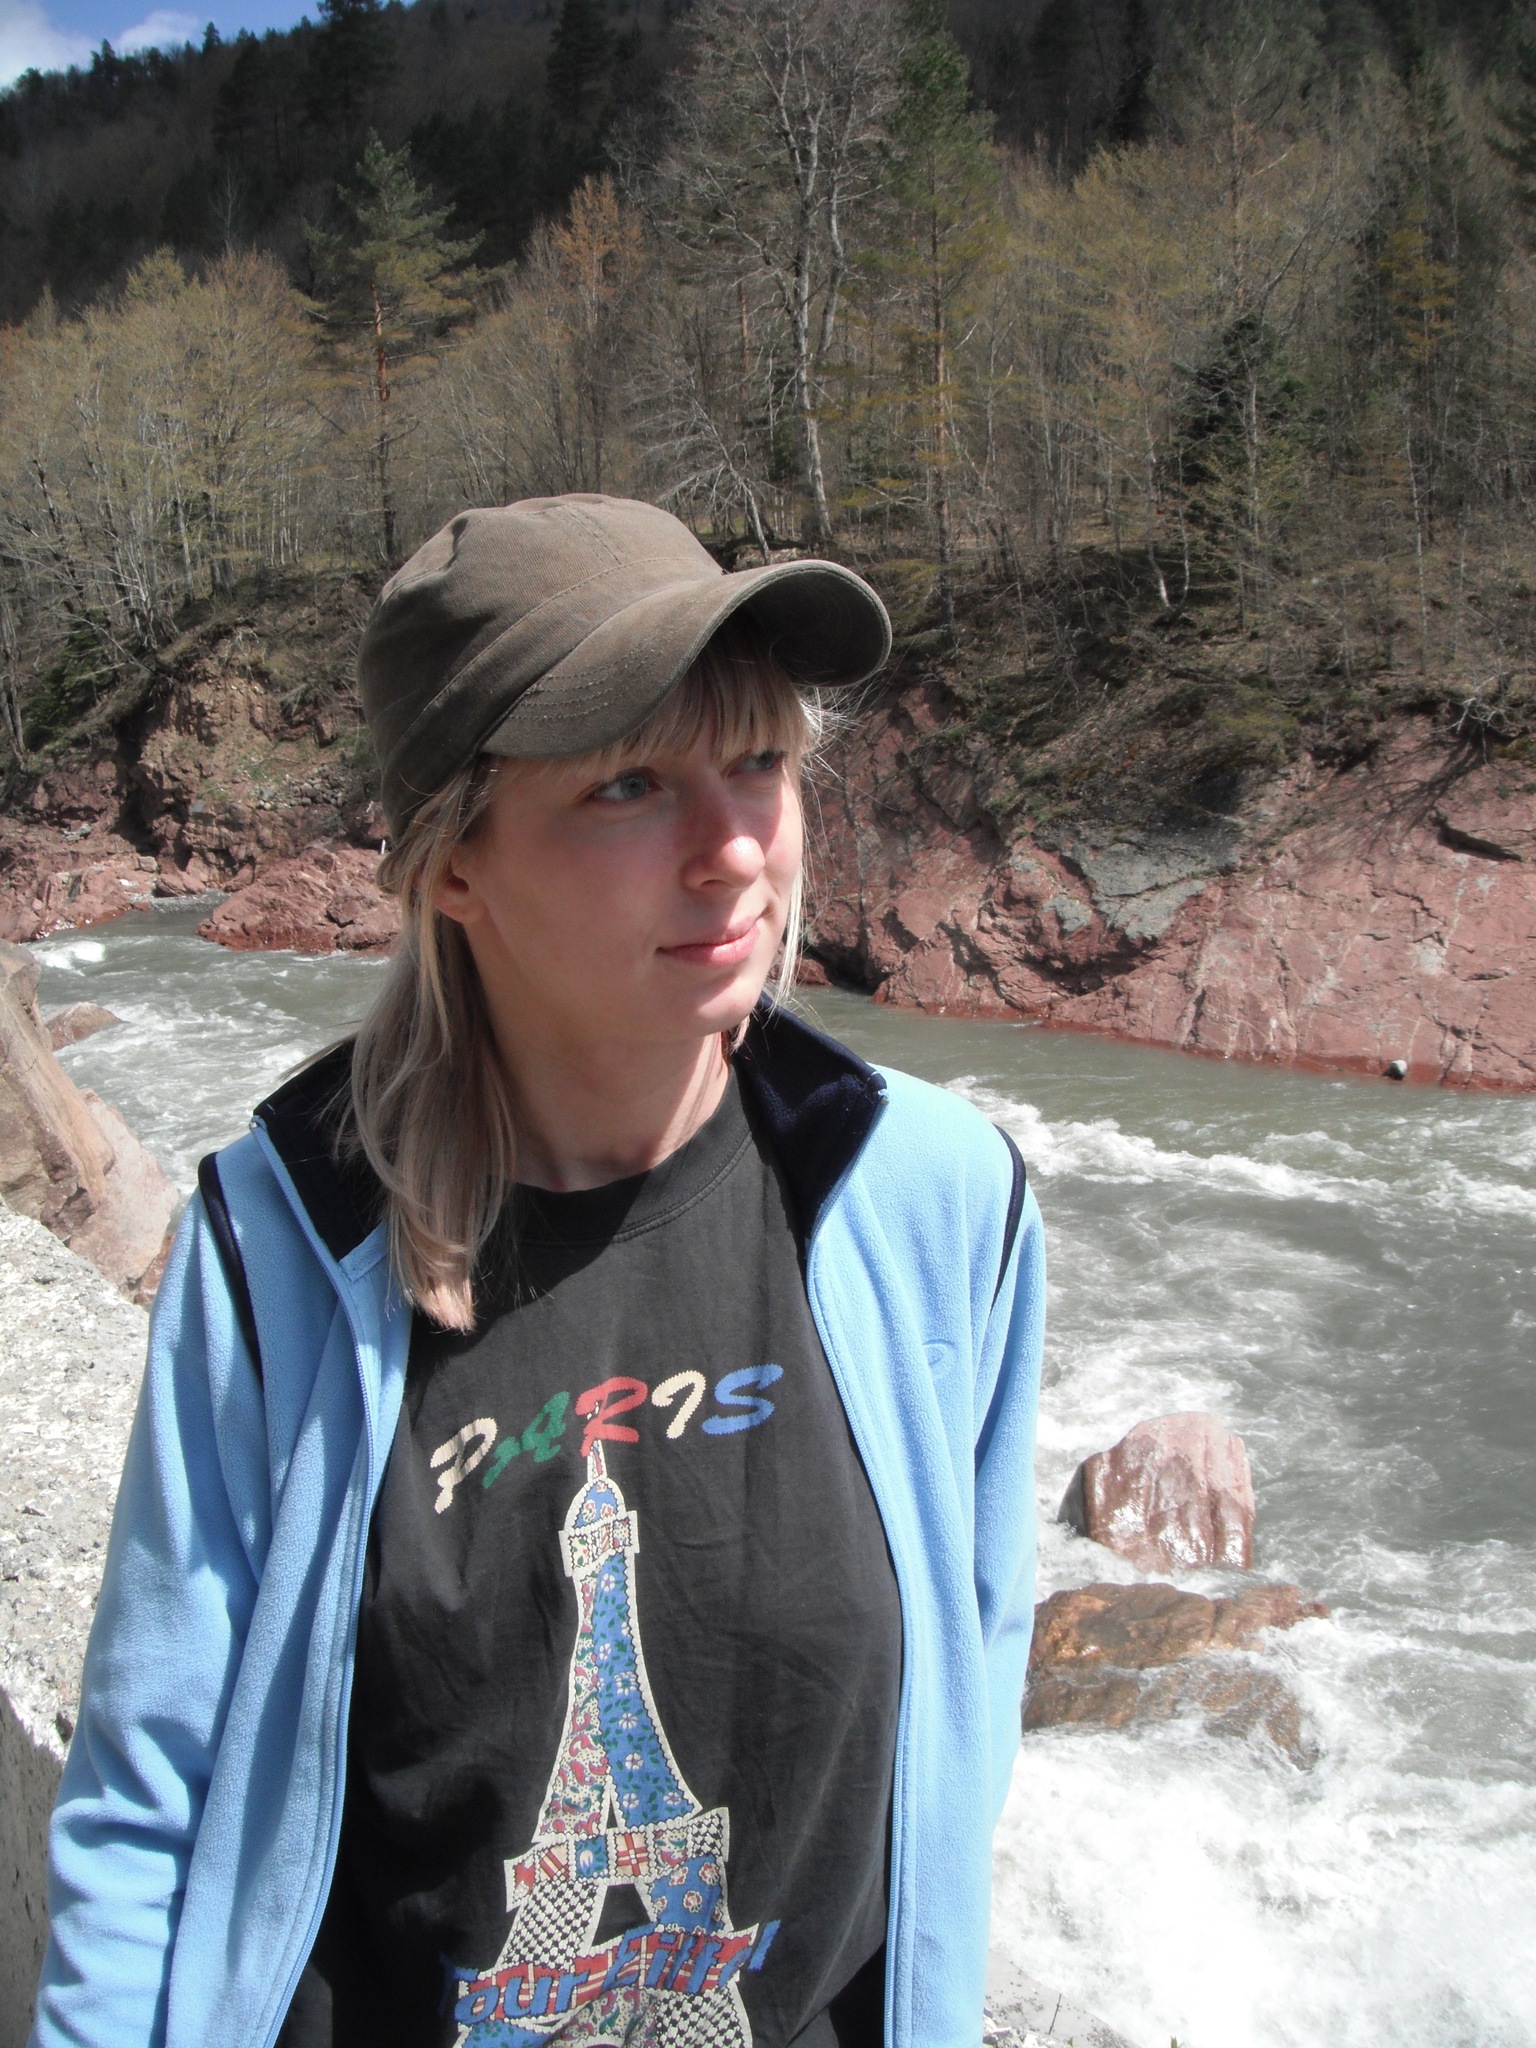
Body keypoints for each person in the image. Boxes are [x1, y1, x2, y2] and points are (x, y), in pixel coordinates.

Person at [30, 496, 1045, 2048]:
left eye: (758, 762)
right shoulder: (281, 1249)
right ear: (455, 863)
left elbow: (966, 1697)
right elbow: (148, 1795)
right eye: (629, 784)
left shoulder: (929, 1198)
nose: (733, 851)